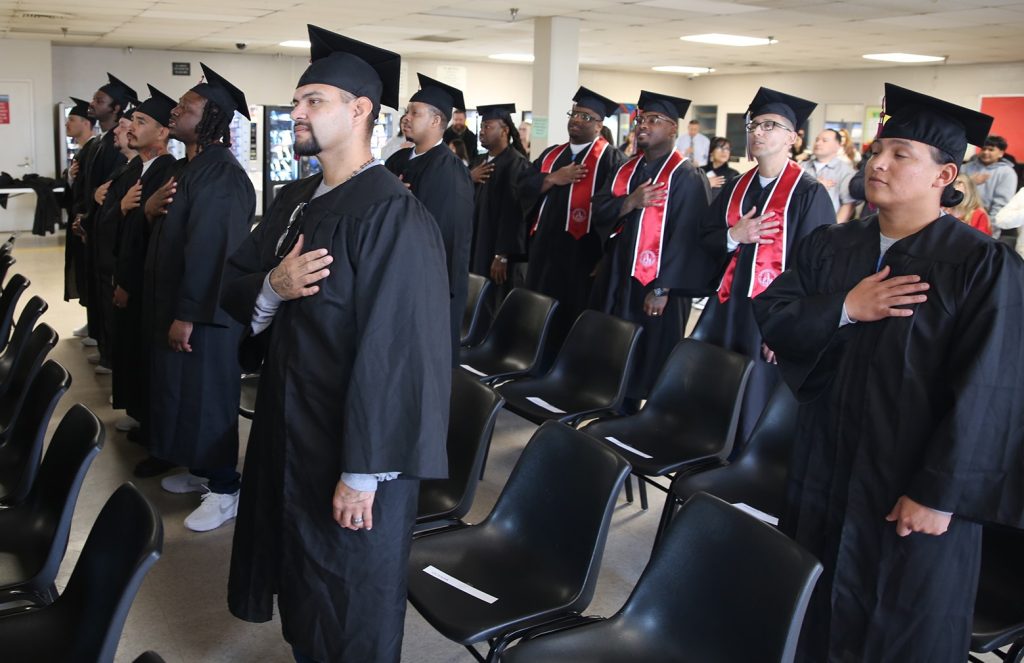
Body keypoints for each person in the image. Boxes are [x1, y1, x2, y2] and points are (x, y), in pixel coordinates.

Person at [753, 83, 1024, 663]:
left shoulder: (982, 265)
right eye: (879, 149)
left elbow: (994, 390)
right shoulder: (832, 246)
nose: (878, 162)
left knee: (899, 621)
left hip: (909, 484)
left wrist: (939, 494)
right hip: (824, 464)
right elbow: (775, 317)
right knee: (812, 606)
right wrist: (846, 308)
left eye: (901, 153)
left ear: (943, 175)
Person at [222, 25, 451, 663]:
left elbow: (400, 355)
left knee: (349, 593)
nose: (295, 113)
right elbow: (238, 284)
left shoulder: (393, 217)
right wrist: (274, 284)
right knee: (302, 577)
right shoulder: (297, 199)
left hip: (353, 446)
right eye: (297, 101)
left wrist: (363, 472)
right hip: (289, 427)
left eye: (312, 100)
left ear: (358, 113)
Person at [142, 63, 255, 532]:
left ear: (211, 120)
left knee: (210, 399)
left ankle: (226, 487)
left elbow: (212, 254)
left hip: (209, 314)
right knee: (186, 393)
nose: (176, 110)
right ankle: (201, 469)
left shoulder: (221, 175)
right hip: (187, 307)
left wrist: (187, 315)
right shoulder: (194, 167)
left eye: (187, 107)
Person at [693, 87, 834, 447]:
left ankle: (740, 470)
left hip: (770, 317)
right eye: (754, 125)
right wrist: (733, 235)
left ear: (792, 137)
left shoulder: (808, 193)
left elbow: (816, 269)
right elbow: (706, 238)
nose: (757, 132)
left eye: (769, 126)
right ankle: (709, 456)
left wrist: (789, 329)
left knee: (756, 397)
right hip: (727, 308)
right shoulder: (737, 186)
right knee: (716, 389)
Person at [591, 90, 717, 408]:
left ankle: (639, 417)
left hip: (656, 286)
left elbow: (689, 240)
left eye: (654, 120)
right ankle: (613, 406)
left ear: (673, 128)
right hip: (618, 277)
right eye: (641, 119)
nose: (643, 125)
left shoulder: (687, 177)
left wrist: (662, 287)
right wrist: (629, 202)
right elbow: (600, 210)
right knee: (616, 347)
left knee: (650, 356)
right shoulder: (625, 171)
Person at [517, 86, 625, 351]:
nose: (577, 119)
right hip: (545, 252)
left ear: (600, 125)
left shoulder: (613, 161)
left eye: (586, 117)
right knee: (540, 315)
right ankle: (535, 365)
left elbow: (618, 213)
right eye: (574, 114)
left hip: (584, 256)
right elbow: (522, 189)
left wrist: (607, 257)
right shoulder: (552, 155)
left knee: (574, 319)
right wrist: (553, 178)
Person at [385, 73, 474, 361]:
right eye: (406, 112)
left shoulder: (449, 171)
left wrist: (400, 200)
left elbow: (444, 236)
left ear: (436, 121)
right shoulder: (397, 161)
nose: (406, 118)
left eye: (415, 112)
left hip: (427, 282)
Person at [110, 85, 178, 445]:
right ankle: (140, 416)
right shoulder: (139, 167)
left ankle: (150, 425)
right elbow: (119, 216)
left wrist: (127, 282)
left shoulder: (166, 170)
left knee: (146, 357)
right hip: (129, 276)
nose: (131, 127)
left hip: (144, 283)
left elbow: (150, 236)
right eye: (132, 120)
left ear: (163, 131)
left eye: (141, 121)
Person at [78, 74, 135, 351]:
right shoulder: (102, 144)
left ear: (116, 108)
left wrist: (110, 203)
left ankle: (108, 347)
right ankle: (100, 335)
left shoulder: (132, 164)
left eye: (101, 100)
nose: (93, 104)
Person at [89, 108, 140, 376]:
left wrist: (114, 207)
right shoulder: (124, 169)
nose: (118, 131)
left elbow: (134, 223)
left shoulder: (145, 172)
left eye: (125, 125)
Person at [468, 102, 529, 306]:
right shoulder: (479, 162)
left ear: (504, 130)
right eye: (481, 126)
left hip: (496, 250)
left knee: (494, 301)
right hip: (476, 244)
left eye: (488, 126)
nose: (482, 131)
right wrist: (469, 178)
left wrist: (502, 255)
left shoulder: (516, 164)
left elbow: (515, 213)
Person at [63, 96, 98, 315]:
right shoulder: (83, 151)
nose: (67, 124)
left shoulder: (94, 150)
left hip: (86, 220)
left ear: (86, 122)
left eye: (72, 119)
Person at [801, 129, 857, 222]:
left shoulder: (846, 171)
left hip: (826, 227)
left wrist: (833, 230)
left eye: (824, 140)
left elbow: (848, 204)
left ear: (838, 145)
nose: (818, 143)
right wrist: (815, 187)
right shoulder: (802, 166)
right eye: (817, 140)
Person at [964, 135, 1017, 219]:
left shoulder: (1007, 173)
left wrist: (991, 226)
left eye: (991, 150)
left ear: (1001, 153)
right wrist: (970, 182)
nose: (986, 152)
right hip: (960, 216)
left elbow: (1001, 204)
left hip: (986, 221)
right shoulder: (966, 167)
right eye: (983, 149)